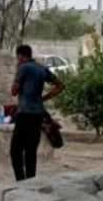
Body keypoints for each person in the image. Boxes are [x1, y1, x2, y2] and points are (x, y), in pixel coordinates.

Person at [10, 45, 64, 181]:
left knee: (15, 150)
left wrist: (17, 74)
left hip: (24, 114)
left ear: (20, 56)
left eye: (18, 58)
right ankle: (30, 182)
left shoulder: (23, 68)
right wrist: (43, 98)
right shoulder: (41, 69)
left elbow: (14, 91)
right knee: (31, 151)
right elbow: (60, 85)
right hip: (38, 114)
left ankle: (20, 181)